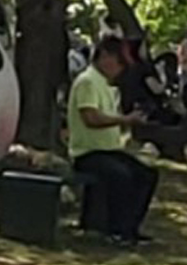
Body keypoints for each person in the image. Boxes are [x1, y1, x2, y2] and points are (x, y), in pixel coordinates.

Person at [69, 31, 162, 246]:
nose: (120, 68)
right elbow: (91, 118)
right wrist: (124, 119)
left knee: (146, 174)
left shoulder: (107, 84)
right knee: (121, 176)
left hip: (109, 150)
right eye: (118, 61)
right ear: (104, 56)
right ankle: (116, 229)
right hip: (88, 152)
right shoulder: (88, 82)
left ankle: (130, 228)